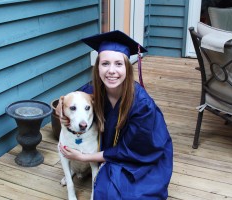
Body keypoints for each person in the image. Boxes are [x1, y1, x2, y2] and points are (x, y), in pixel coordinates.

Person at [57, 30, 173, 199]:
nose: (111, 71)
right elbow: (70, 104)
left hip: (142, 157)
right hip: (111, 153)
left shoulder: (142, 106)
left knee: (127, 195)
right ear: (98, 67)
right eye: (105, 64)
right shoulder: (91, 92)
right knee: (105, 192)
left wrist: (84, 157)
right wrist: (62, 115)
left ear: (127, 67)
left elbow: (133, 151)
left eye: (118, 64)